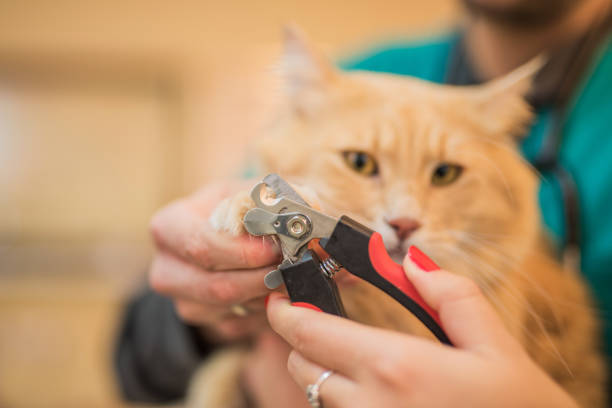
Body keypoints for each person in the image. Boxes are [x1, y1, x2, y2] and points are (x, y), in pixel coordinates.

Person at [114, 0, 612, 405]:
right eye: (362, 163)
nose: (404, 213)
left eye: (444, 173)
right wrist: (211, 303)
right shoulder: (357, 77)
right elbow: (138, 360)